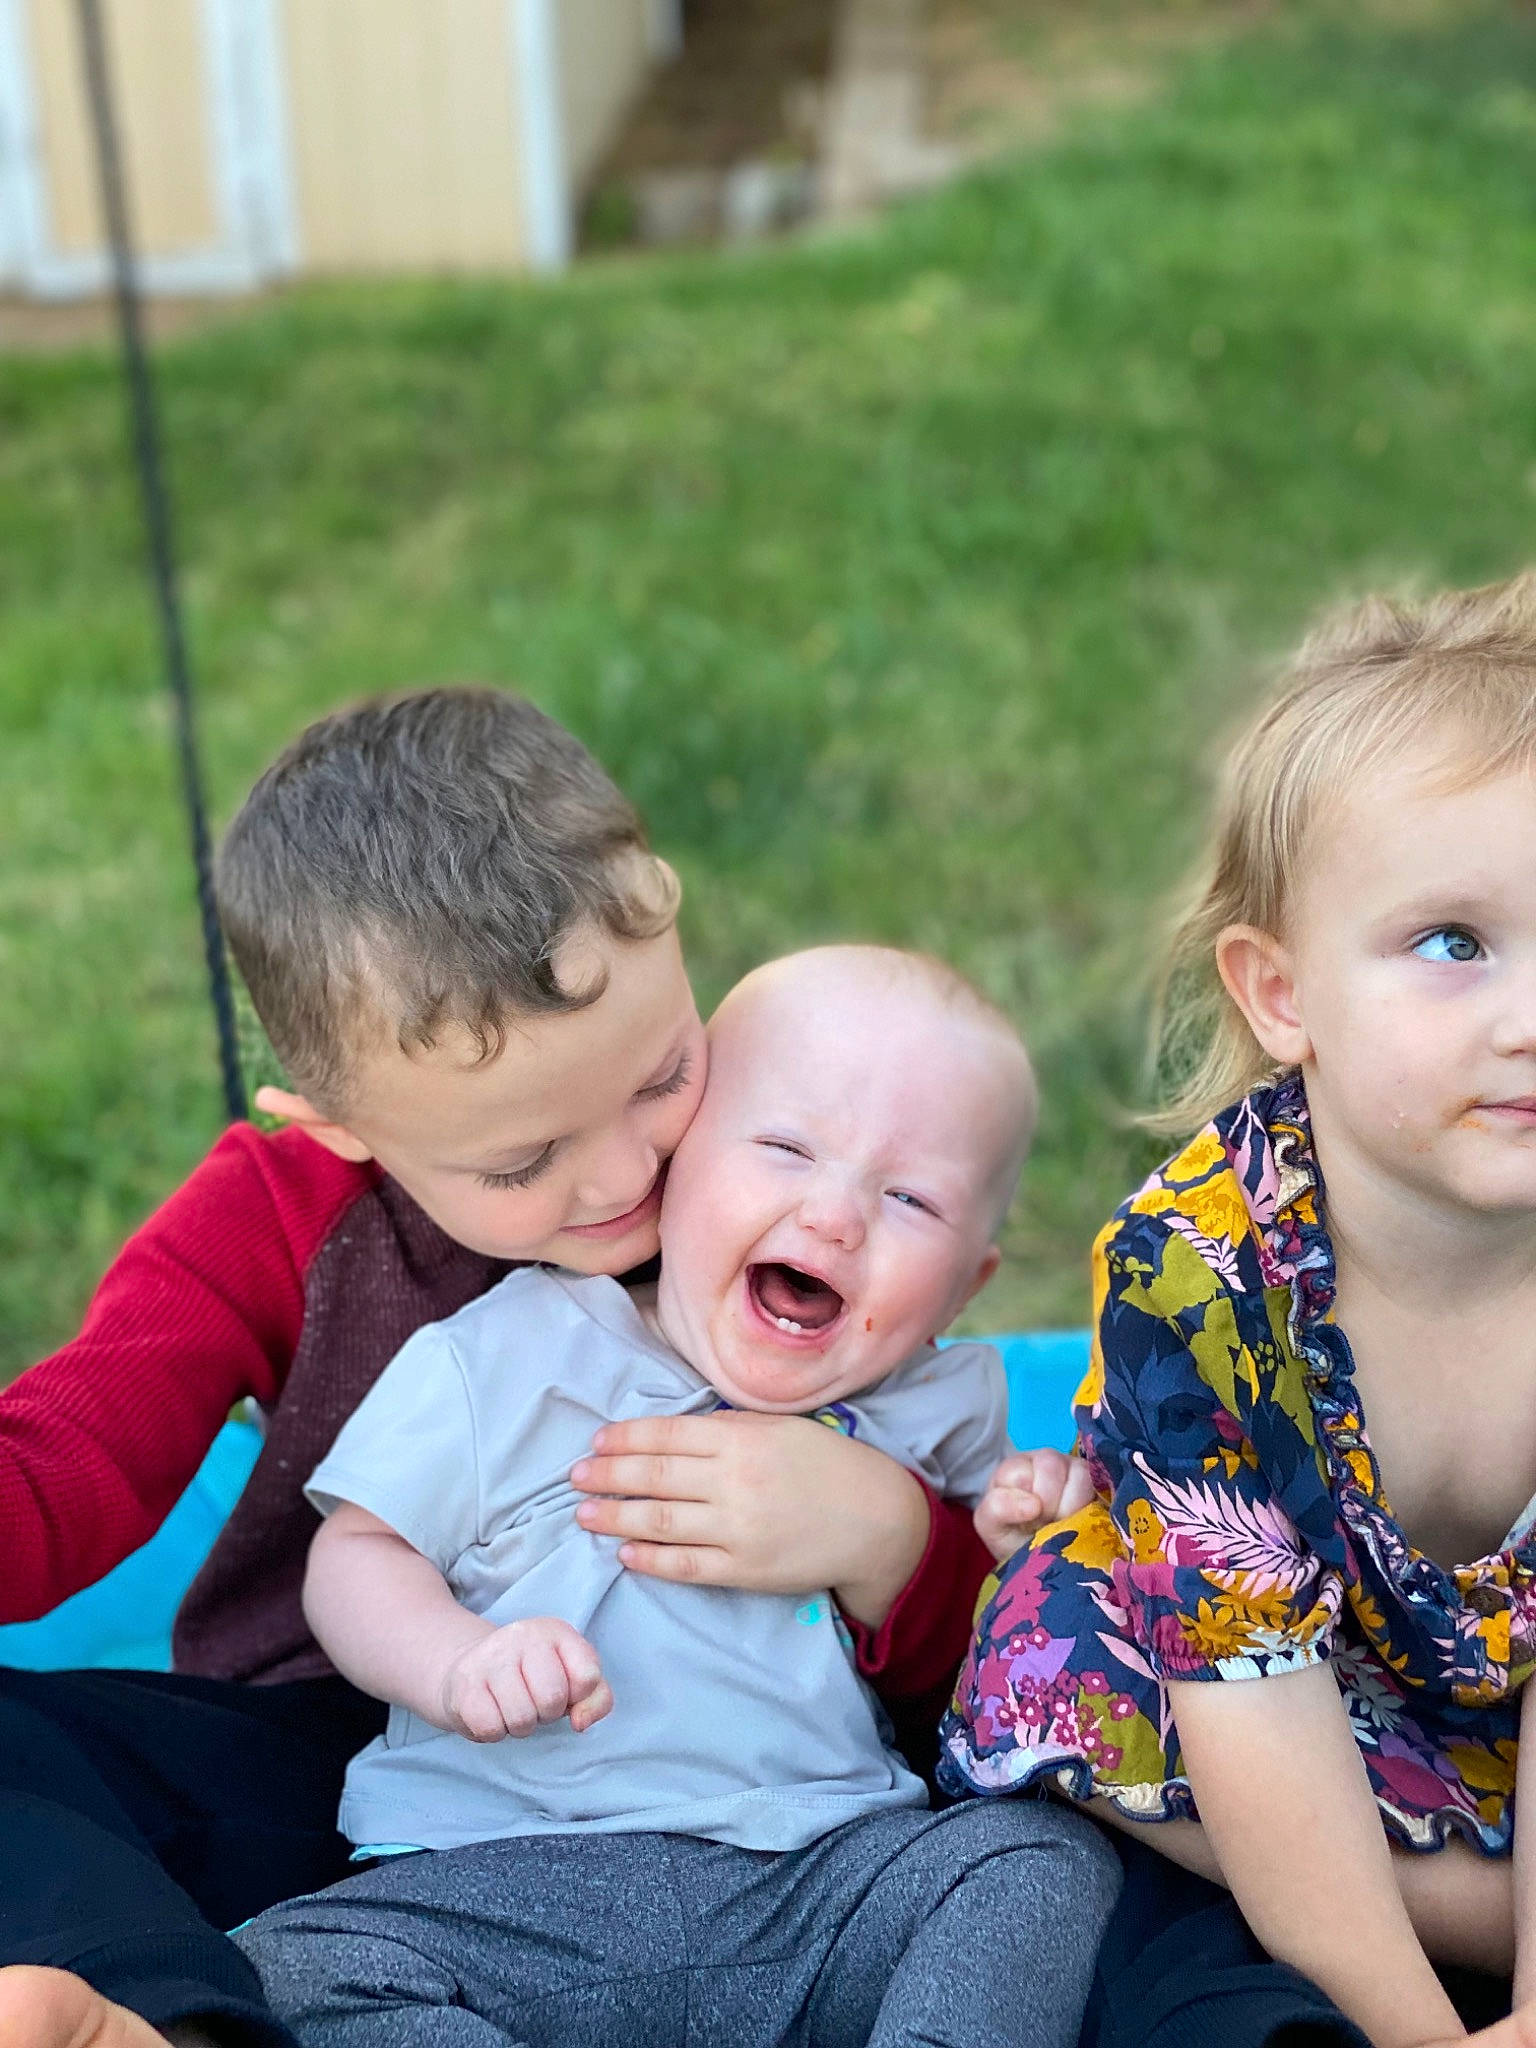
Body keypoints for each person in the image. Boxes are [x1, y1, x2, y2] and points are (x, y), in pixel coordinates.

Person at [0, 693, 1014, 2048]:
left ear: (670, 930)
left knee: (1086, 1835)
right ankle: (175, 2031)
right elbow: (70, 1463)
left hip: (757, 1791)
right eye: (523, 1164)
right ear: (345, 1128)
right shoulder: (275, 1219)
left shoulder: (793, 1153)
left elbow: (1001, 1656)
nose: (628, 1172)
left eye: (663, 1075)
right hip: (345, 1770)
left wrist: (895, 1538)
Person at [230, 944, 1121, 2048]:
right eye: (786, 1148)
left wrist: (1012, 1548)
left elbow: (981, 1684)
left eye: (911, 1198)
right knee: (293, 1967)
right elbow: (358, 1552)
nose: (837, 1216)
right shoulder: (513, 1351)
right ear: (679, 1162)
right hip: (511, 1881)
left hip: (821, 1880)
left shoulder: (938, 1404)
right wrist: (454, 1658)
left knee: (1039, 1862)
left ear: (966, 1284)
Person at [942, 573, 1536, 2048]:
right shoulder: (1199, 1273)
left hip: (1492, 1711)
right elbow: (1253, 1699)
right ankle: (1450, 1903)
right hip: (1255, 1690)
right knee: (1059, 1643)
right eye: (1453, 943)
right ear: (1284, 996)